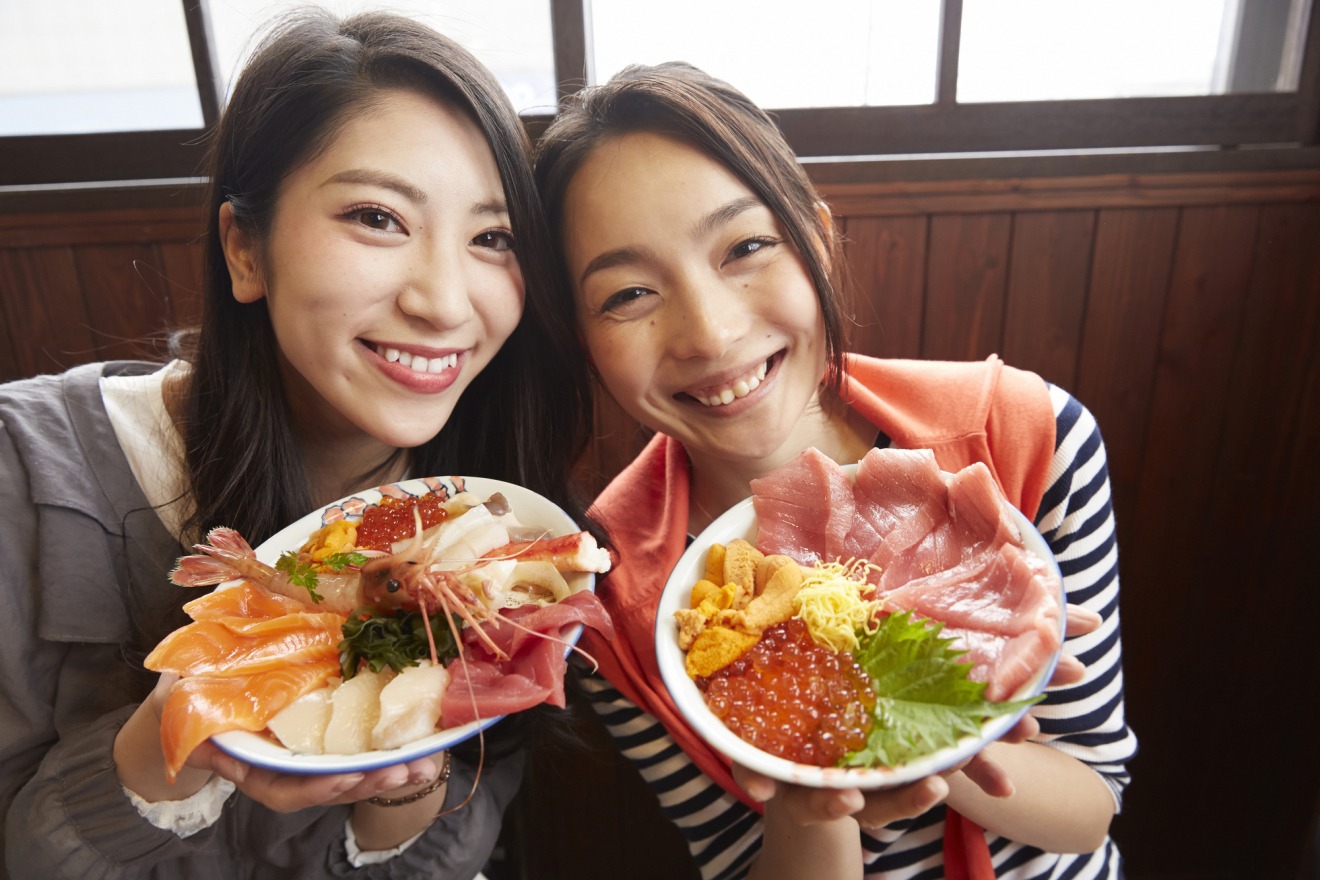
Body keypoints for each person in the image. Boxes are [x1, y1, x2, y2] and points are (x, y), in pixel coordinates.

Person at [0, 9, 590, 879]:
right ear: (244, 248)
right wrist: (165, 751)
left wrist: (396, 780)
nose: (444, 301)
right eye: (378, 218)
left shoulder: (495, 520)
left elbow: (459, 849)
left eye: (492, 237)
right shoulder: (23, 469)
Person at [534, 62, 1136, 879]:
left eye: (746, 246)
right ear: (581, 337)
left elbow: (1090, 801)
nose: (710, 335)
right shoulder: (610, 597)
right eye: (630, 294)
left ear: (815, 237)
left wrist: (935, 734)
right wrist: (809, 801)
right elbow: (742, 860)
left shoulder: (1030, 437)